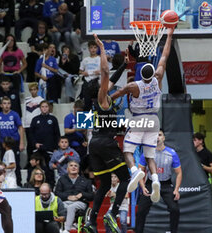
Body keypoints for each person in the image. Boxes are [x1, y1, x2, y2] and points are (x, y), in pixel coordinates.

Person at [110, 27, 175, 201]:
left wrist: (108, 99)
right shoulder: (158, 77)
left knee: (128, 151)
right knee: (149, 155)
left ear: (140, 74)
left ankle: (135, 172)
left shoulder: (134, 86)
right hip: (154, 120)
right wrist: (169, 35)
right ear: (152, 72)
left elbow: (116, 94)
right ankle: (155, 180)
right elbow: (165, 55)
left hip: (139, 119)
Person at [83, 34, 130, 233]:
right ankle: (113, 212)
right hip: (104, 143)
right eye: (105, 84)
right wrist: (102, 48)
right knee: (125, 178)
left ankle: (92, 222)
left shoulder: (100, 100)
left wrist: (124, 66)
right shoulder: (103, 98)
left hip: (95, 144)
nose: (107, 84)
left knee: (103, 185)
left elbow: (112, 78)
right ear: (101, 88)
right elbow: (105, 72)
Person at [135, 129, 182, 233]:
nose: (157, 137)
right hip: (150, 183)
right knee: (141, 211)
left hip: (165, 183)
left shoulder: (172, 153)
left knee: (175, 209)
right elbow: (140, 172)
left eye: (159, 135)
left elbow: (179, 173)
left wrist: (177, 189)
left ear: (164, 138)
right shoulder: (146, 154)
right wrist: (142, 187)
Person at [0, 96, 24, 186]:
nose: (7, 105)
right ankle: (5, 183)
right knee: (4, 163)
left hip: (14, 142)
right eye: (5, 103)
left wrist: (22, 142)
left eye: (8, 103)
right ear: (1, 105)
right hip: (3, 143)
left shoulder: (14, 115)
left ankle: (18, 184)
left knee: (15, 164)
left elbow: (21, 128)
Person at [55, 160, 94, 233]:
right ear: (67, 169)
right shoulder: (62, 179)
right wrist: (68, 197)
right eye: (71, 165)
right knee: (58, 206)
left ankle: (67, 229)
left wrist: (82, 194)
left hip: (80, 203)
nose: (73, 167)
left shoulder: (86, 181)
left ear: (78, 169)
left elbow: (91, 196)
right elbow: (57, 193)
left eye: (75, 166)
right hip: (65, 202)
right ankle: (60, 226)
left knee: (71, 207)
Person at [30, 100, 60, 187]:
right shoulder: (35, 119)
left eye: (46, 106)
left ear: (49, 108)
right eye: (42, 107)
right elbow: (31, 134)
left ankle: (51, 186)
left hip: (50, 149)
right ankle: (35, 186)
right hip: (38, 149)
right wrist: (35, 143)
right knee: (37, 169)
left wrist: (55, 148)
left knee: (49, 169)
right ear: (40, 108)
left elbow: (57, 134)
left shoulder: (53, 119)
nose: (44, 108)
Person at [24, 83, 44, 159]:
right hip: (28, 125)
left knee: (37, 144)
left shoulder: (41, 100)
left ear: (37, 90)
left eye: (34, 89)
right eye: (31, 90)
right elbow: (24, 112)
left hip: (38, 126)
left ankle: (38, 160)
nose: (33, 91)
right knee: (29, 144)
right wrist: (24, 124)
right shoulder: (26, 100)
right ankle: (30, 161)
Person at [79, 40, 100, 111]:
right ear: (88, 49)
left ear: (97, 48)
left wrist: (89, 73)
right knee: (87, 104)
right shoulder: (85, 60)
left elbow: (100, 72)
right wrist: (83, 73)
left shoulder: (100, 59)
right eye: (91, 48)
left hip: (96, 83)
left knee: (98, 103)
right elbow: (80, 71)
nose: (93, 49)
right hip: (87, 83)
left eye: (95, 47)